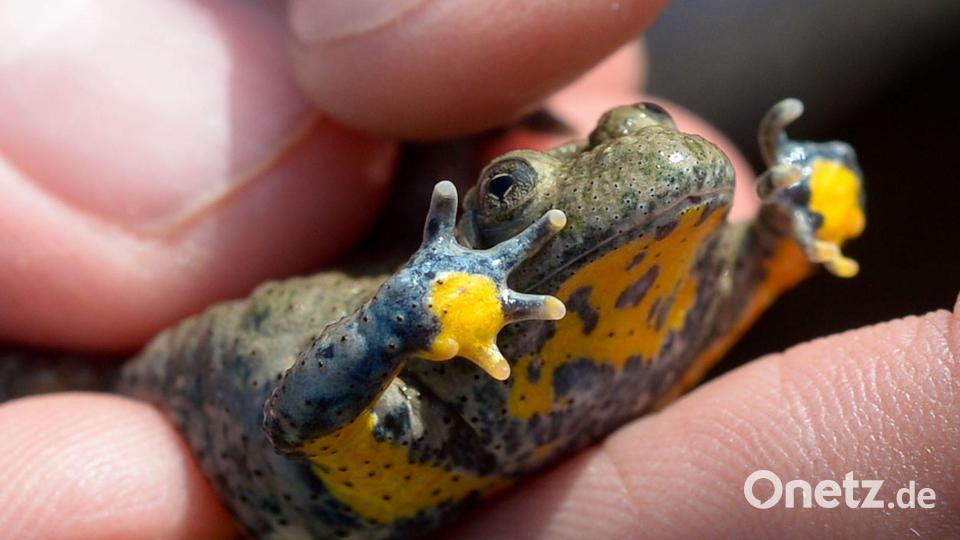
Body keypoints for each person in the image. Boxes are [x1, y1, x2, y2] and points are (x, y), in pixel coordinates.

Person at [0, 1, 956, 537]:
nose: (650, 157)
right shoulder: (423, 399)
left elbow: (786, 248)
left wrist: (804, 199)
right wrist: (396, 323)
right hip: (157, 409)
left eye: (645, 136)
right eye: (508, 192)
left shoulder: (706, 291)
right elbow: (296, 416)